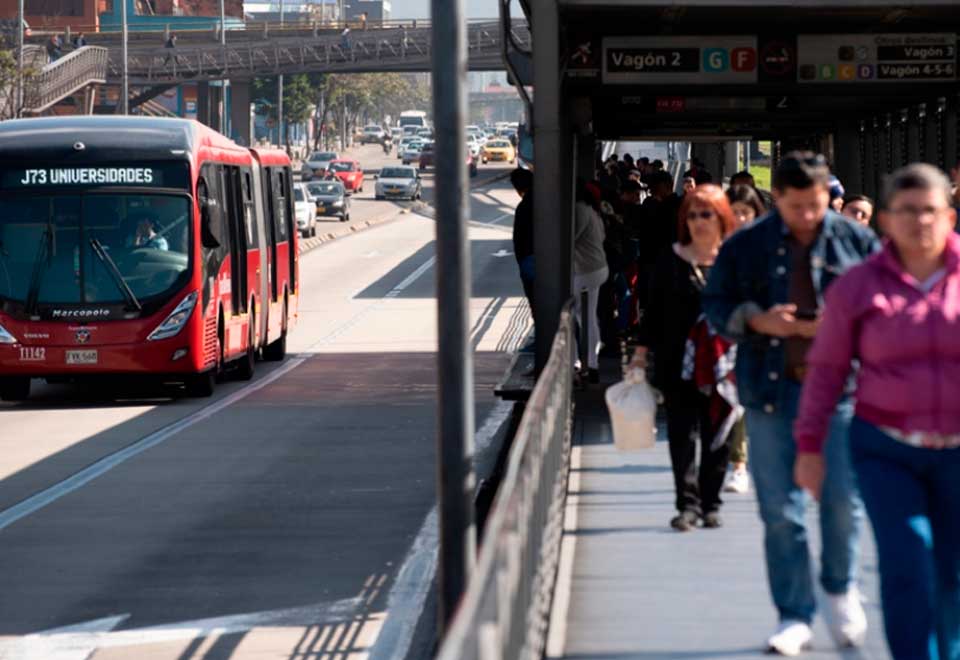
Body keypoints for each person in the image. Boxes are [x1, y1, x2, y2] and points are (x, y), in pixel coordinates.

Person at [702, 152, 880, 656]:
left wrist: (844, 324)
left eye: (816, 205)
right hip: (770, 391)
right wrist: (759, 321)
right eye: (796, 205)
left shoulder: (855, 241)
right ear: (776, 197)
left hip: (843, 391)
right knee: (781, 509)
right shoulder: (746, 245)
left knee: (843, 500)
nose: (807, 215)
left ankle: (839, 588)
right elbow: (716, 304)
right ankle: (794, 614)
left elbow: (886, 303)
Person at [795, 163, 960, 660]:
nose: (919, 221)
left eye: (929, 210)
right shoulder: (858, 287)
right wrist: (809, 446)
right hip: (887, 448)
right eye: (906, 211)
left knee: (953, 570)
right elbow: (826, 370)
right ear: (886, 220)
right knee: (907, 559)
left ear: (949, 216)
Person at [633, 184, 738, 530]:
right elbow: (653, 311)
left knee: (718, 432)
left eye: (706, 214)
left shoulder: (735, 260)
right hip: (676, 360)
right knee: (682, 434)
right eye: (692, 216)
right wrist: (640, 354)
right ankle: (687, 505)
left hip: (724, 363)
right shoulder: (670, 259)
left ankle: (711, 502)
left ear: (721, 217)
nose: (698, 221)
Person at [574, 182, 608, 382]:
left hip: (585, 270)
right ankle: (591, 362)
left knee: (572, 315)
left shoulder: (579, 210)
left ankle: (581, 363)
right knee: (588, 316)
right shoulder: (593, 211)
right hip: (597, 267)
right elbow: (602, 237)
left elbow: (569, 238)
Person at [510, 168, 535, 317]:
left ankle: (542, 329)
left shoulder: (524, 207)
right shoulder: (546, 200)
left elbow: (519, 239)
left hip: (530, 261)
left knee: (535, 302)